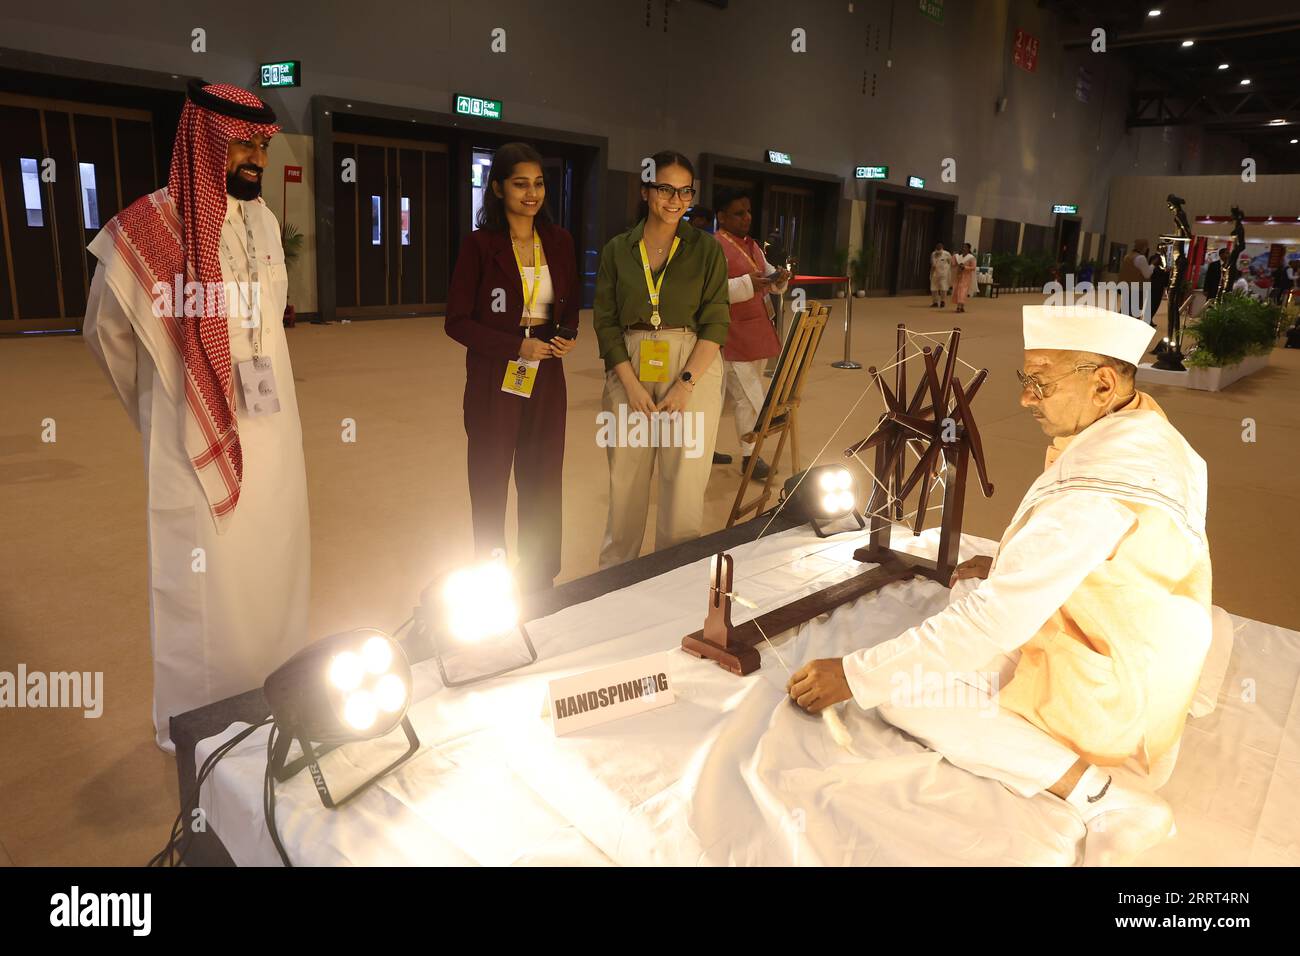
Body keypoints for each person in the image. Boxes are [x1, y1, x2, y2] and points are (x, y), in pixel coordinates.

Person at [787, 304, 1212, 866]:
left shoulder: (1097, 490)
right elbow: (1113, 555)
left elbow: (996, 620)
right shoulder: (1147, 428)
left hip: (1116, 682)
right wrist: (1012, 565)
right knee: (962, 599)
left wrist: (854, 674)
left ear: (1103, 384)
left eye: (1040, 382)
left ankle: (1108, 798)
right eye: (1024, 379)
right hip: (1139, 634)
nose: (1024, 399)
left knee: (905, 690)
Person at [82, 81, 309, 754]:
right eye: (240, 144)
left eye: (260, 146)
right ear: (204, 140)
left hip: (274, 429)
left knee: (274, 562)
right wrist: (158, 408)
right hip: (193, 430)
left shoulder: (264, 223)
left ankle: (273, 693)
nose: (254, 160)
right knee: (201, 581)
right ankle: (200, 723)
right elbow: (107, 332)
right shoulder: (150, 230)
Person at [445, 142, 579, 594]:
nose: (532, 193)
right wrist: (514, 346)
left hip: (547, 373)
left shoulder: (559, 242)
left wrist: (565, 334)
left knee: (543, 475)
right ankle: (491, 575)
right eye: (520, 183)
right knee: (490, 475)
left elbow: (571, 306)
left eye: (538, 183)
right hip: (494, 374)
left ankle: (539, 574)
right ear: (498, 188)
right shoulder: (480, 245)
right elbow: (457, 321)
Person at [593, 150, 729, 568]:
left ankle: (675, 581)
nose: (676, 200)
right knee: (626, 484)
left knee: (684, 487)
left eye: (684, 191)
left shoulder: (705, 250)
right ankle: (615, 579)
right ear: (646, 190)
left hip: (693, 368)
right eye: (666, 189)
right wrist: (630, 385)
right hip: (629, 368)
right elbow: (606, 322)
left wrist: (686, 384)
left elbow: (716, 323)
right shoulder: (618, 250)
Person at [713, 189, 790, 481]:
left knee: (737, 395)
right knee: (748, 396)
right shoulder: (714, 246)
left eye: (747, 212)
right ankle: (749, 456)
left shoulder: (753, 245)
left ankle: (730, 454)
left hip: (756, 327)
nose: (746, 218)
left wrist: (778, 279)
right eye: (738, 213)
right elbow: (712, 290)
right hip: (730, 332)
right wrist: (751, 283)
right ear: (721, 216)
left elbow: (767, 275)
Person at [1117, 239, 1154, 321]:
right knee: (1133, 312)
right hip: (1136, 288)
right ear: (1144, 247)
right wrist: (1153, 265)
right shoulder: (1141, 258)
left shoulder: (1128, 256)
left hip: (1126, 286)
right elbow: (1147, 274)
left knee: (1125, 308)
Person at [951, 242, 977, 313]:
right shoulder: (959, 257)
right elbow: (953, 265)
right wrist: (953, 258)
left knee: (962, 291)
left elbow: (973, 267)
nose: (963, 249)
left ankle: (959, 307)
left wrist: (965, 267)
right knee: (957, 290)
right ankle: (961, 306)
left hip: (966, 277)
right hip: (958, 276)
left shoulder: (971, 257)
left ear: (968, 249)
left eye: (965, 247)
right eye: (963, 247)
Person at [1147, 252, 1168, 327]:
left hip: (1158, 286)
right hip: (1154, 285)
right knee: (1153, 303)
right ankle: (1148, 319)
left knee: (1155, 304)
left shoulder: (1162, 259)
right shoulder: (1155, 259)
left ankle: (1149, 319)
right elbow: (1151, 271)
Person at [929, 243, 952, 308]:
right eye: (937, 247)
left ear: (942, 247)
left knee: (943, 288)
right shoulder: (933, 254)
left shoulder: (947, 254)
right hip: (935, 273)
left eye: (940, 247)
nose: (938, 248)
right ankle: (935, 302)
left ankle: (943, 301)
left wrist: (948, 272)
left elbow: (950, 262)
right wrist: (931, 273)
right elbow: (932, 264)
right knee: (934, 289)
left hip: (943, 274)